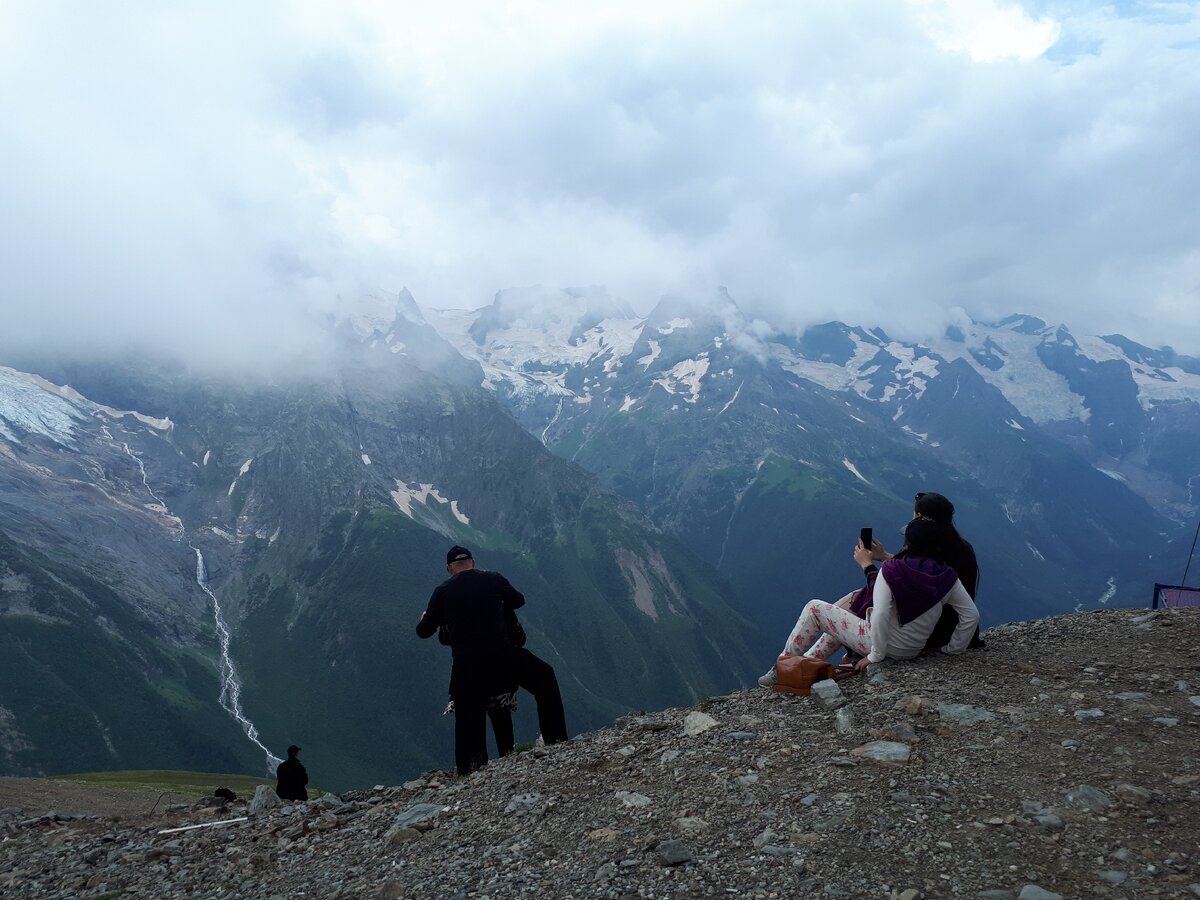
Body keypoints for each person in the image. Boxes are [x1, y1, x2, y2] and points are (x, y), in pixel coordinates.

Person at [761, 518, 979, 681]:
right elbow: (971, 615)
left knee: (815, 608)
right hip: (912, 649)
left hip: (881, 644)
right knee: (841, 622)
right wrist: (954, 649)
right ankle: (804, 664)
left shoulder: (891, 571)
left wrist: (875, 655)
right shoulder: (947, 576)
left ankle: (782, 667)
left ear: (909, 543)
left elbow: (883, 612)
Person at [416, 545, 569, 775]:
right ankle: (556, 741)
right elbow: (518, 600)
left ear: (449, 569)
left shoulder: (443, 591)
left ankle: (471, 770)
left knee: (469, 716)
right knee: (544, 677)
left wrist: (429, 617)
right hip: (503, 657)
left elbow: (424, 631)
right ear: (473, 563)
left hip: (467, 667)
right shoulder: (493, 578)